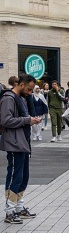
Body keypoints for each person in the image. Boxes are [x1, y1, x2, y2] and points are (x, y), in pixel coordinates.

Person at [0, 75, 42, 224]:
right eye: (29, 89)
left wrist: (30, 120)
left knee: (23, 176)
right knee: (15, 175)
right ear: (22, 84)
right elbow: (5, 120)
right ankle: (9, 211)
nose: (31, 92)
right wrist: (27, 120)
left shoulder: (21, 98)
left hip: (22, 141)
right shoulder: (8, 98)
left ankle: (18, 206)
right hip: (14, 143)